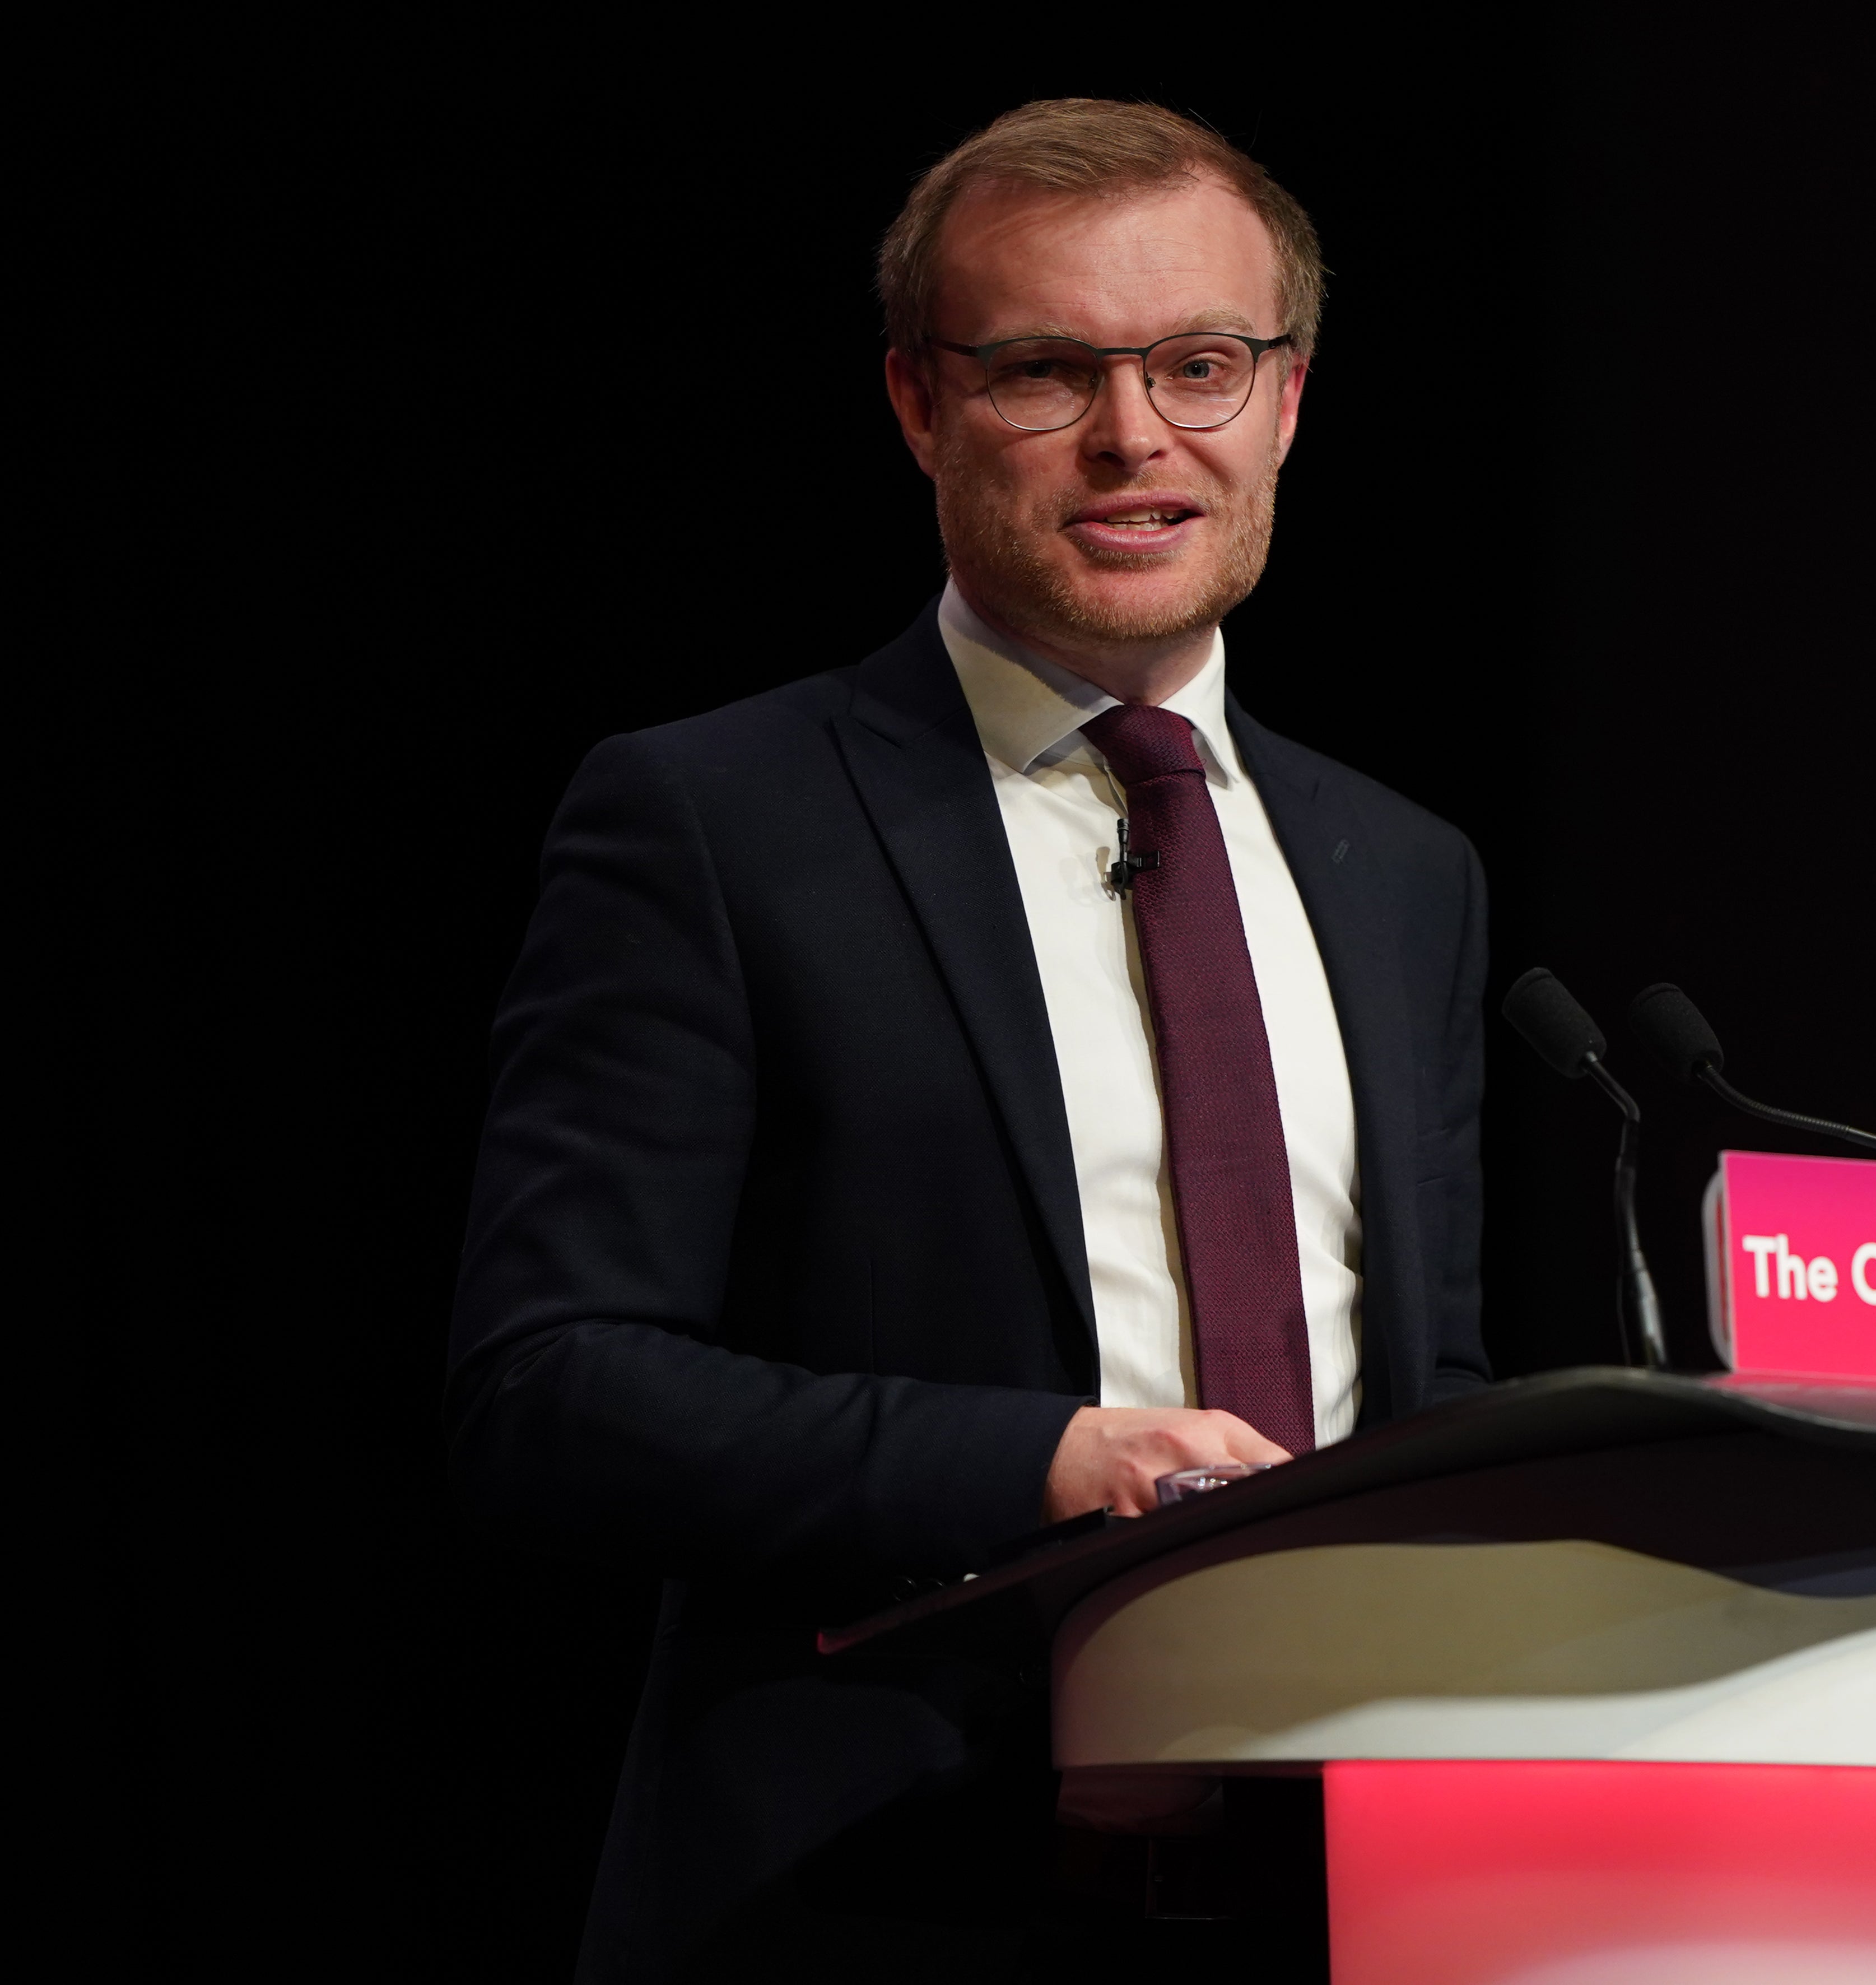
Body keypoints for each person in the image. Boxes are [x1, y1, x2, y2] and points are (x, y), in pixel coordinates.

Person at [446, 98, 1491, 1982]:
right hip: (887, 1893)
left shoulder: (1403, 874)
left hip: (1351, 1903)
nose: (1133, 438)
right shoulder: (715, 821)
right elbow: (554, 1389)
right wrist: (1052, 1465)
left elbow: (1419, 1393)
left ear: (1289, 400)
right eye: (1043, 372)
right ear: (921, 409)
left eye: (1200, 365)